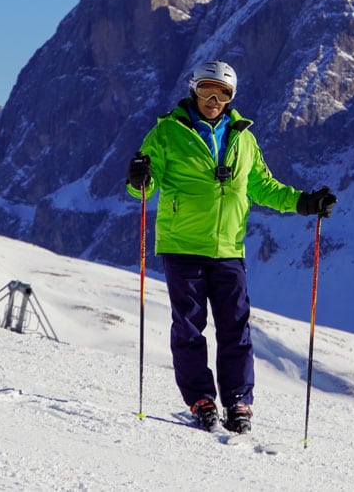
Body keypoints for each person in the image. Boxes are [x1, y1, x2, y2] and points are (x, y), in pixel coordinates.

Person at [126, 60, 336, 434]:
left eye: (222, 93)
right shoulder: (167, 133)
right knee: (189, 327)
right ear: (194, 90)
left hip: (229, 249)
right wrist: (138, 177)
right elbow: (144, 187)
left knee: (235, 328)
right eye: (207, 89)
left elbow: (263, 186)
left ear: (230, 98)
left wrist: (305, 203)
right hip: (182, 245)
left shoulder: (243, 139)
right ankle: (201, 400)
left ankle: (238, 402)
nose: (213, 99)